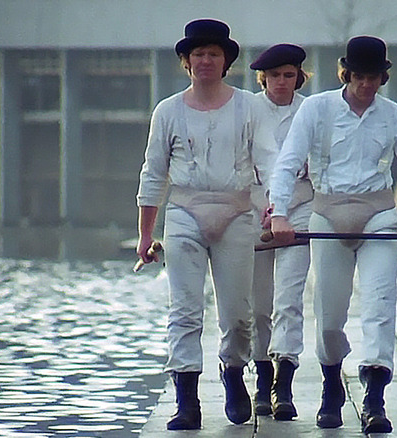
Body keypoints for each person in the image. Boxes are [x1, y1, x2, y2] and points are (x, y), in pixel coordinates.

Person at [268, 36, 397, 434]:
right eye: (358, 77)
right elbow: (288, 162)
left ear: (382, 78)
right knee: (329, 315)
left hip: (378, 214)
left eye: (373, 78)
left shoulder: (394, 116)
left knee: (380, 304)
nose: (365, 86)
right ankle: (331, 386)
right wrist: (279, 213)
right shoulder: (316, 109)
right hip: (326, 212)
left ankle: (375, 397)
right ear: (347, 74)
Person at [136, 19, 276, 430]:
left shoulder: (248, 106)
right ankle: (186, 399)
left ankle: (233, 371)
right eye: (198, 54)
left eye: (213, 54)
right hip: (184, 212)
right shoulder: (169, 110)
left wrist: (274, 207)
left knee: (237, 312)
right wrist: (146, 232)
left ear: (226, 61)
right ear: (186, 61)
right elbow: (153, 171)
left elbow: (268, 161)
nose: (205, 61)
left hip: (236, 211)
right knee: (184, 310)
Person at [247, 43, 312, 421]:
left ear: (299, 76)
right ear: (263, 78)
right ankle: (261, 376)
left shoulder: (311, 111)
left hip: (300, 209)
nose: (281, 83)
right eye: (274, 76)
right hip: (254, 211)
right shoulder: (248, 109)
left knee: (289, 297)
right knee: (258, 305)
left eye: (289, 75)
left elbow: (316, 167)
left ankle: (283, 383)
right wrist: (262, 206)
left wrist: (285, 206)